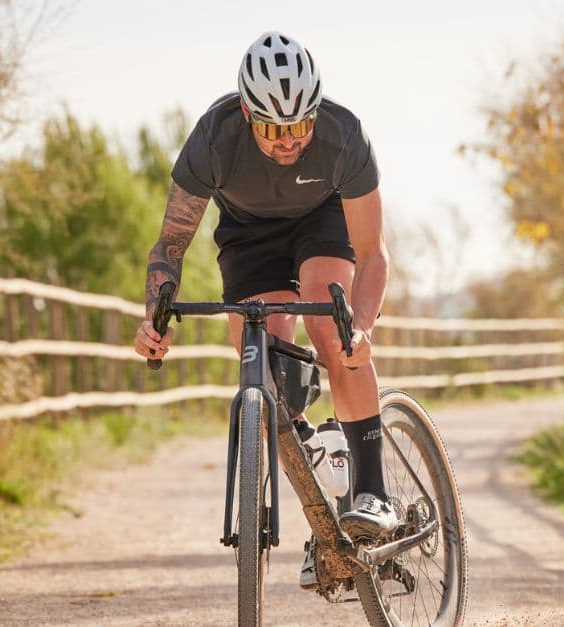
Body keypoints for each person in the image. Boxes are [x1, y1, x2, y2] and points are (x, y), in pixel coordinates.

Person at [132, 31, 394, 588]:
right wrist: (154, 315)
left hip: (322, 222)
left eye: (300, 126)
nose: (287, 142)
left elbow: (372, 254)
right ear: (247, 114)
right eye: (274, 129)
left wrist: (363, 327)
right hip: (248, 236)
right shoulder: (214, 138)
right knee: (267, 366)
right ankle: (323, 508)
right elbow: (170, 247)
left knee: (330, 325)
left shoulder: (344, 138)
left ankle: (372, 490)